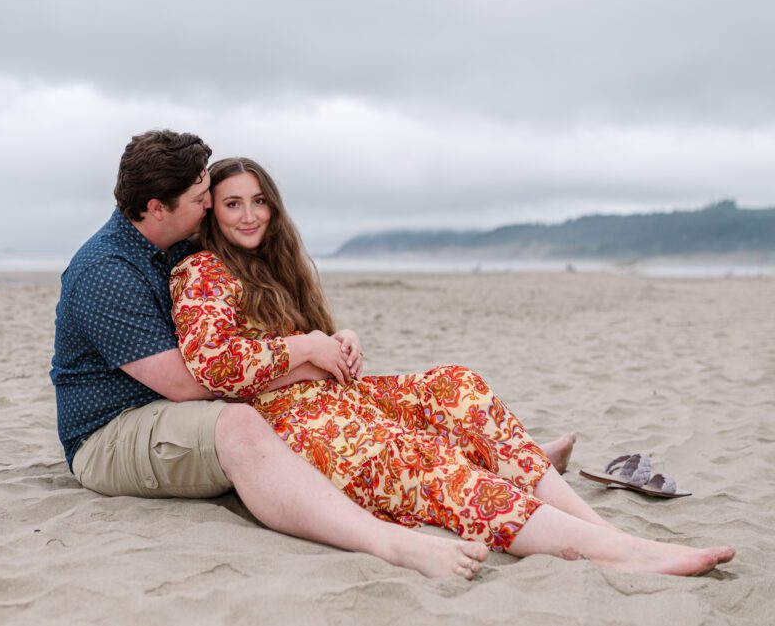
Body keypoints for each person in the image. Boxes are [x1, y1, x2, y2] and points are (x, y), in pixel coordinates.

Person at [169, 156, 736, 576]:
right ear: (211, 215)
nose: (249, 214)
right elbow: (214, 367)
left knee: (455, 386)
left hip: (340, 396)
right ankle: (618, 551)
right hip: (293, 427)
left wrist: (340, 338)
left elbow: (310, 340)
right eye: (233, 204)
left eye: (258, 200)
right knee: (428, 460)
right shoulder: (202, 272)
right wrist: (309, 350)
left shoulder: (279, 264)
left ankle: (596, 524)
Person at [50, 130, 489, 581]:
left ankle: (494, 464)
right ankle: (386, 541)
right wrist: (307, 360)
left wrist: (332, 342)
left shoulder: (176, 241)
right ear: (158, 207)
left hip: (178, 408)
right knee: (241, 425)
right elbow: (183, 385)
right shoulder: (105, 273)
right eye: (202, 198)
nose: (210, 204)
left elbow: (249, 325)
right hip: (112, 432)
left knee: (355, 404)